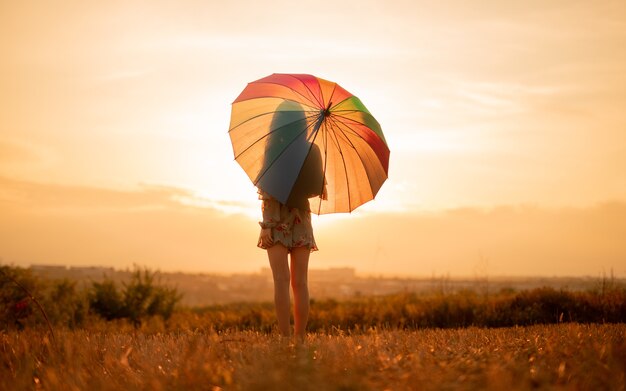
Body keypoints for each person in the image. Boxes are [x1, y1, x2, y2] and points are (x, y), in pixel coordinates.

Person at [256, 101, 325, 344]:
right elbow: (317, 189)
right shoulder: (312, 149)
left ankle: (286, 337)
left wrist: (265, 225)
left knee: (281, 281)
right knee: (300, 282)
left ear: (278, 122)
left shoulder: (272, 149)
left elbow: (265, 190)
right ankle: (299, 337)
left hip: (275, 217)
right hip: (298, 217)